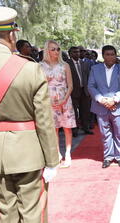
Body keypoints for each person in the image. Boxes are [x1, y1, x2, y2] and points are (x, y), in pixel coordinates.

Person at [0, 6, 59, 223]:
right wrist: (52, 160)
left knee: (5, 211)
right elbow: (44, 120)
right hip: (28, 152)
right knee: (31, 209)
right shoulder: (29, 69)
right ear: (11, 35)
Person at [88, 45, 120, 169]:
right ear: (103, 56)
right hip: (100, 106)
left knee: (119, 132)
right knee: (105, 133)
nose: (110, 57)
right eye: (107, 54)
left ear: (115, 55)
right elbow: (91, 86)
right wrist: (102, 100)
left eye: (112, 54)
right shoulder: (94, 69)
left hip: (119, 106)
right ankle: (108, 156)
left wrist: (114, 99)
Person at [40, 40, 76, 168]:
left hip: (65, 99)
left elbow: (70, 85)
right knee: (53, 129)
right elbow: (40, 86)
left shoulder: (65, 65)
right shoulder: (41, 66)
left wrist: (64, 99)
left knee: (67, 128)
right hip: (49, 100)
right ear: (47, 50)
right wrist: (48, 100)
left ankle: (68, 154)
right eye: (53, 49)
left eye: (58, 49)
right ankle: (58, 154)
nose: (56, 51)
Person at [67, 46, 93, 135]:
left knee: (85, 111)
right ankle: (74, 130)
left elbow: (88, 77)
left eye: (78, 52)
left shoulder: (84, 63)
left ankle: (86, 128)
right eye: (74, 52)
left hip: (84, 91)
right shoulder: (66, 64)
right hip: (73, 91)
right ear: (70, 54)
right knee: (73, 112)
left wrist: (89, 90)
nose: (77, 53)